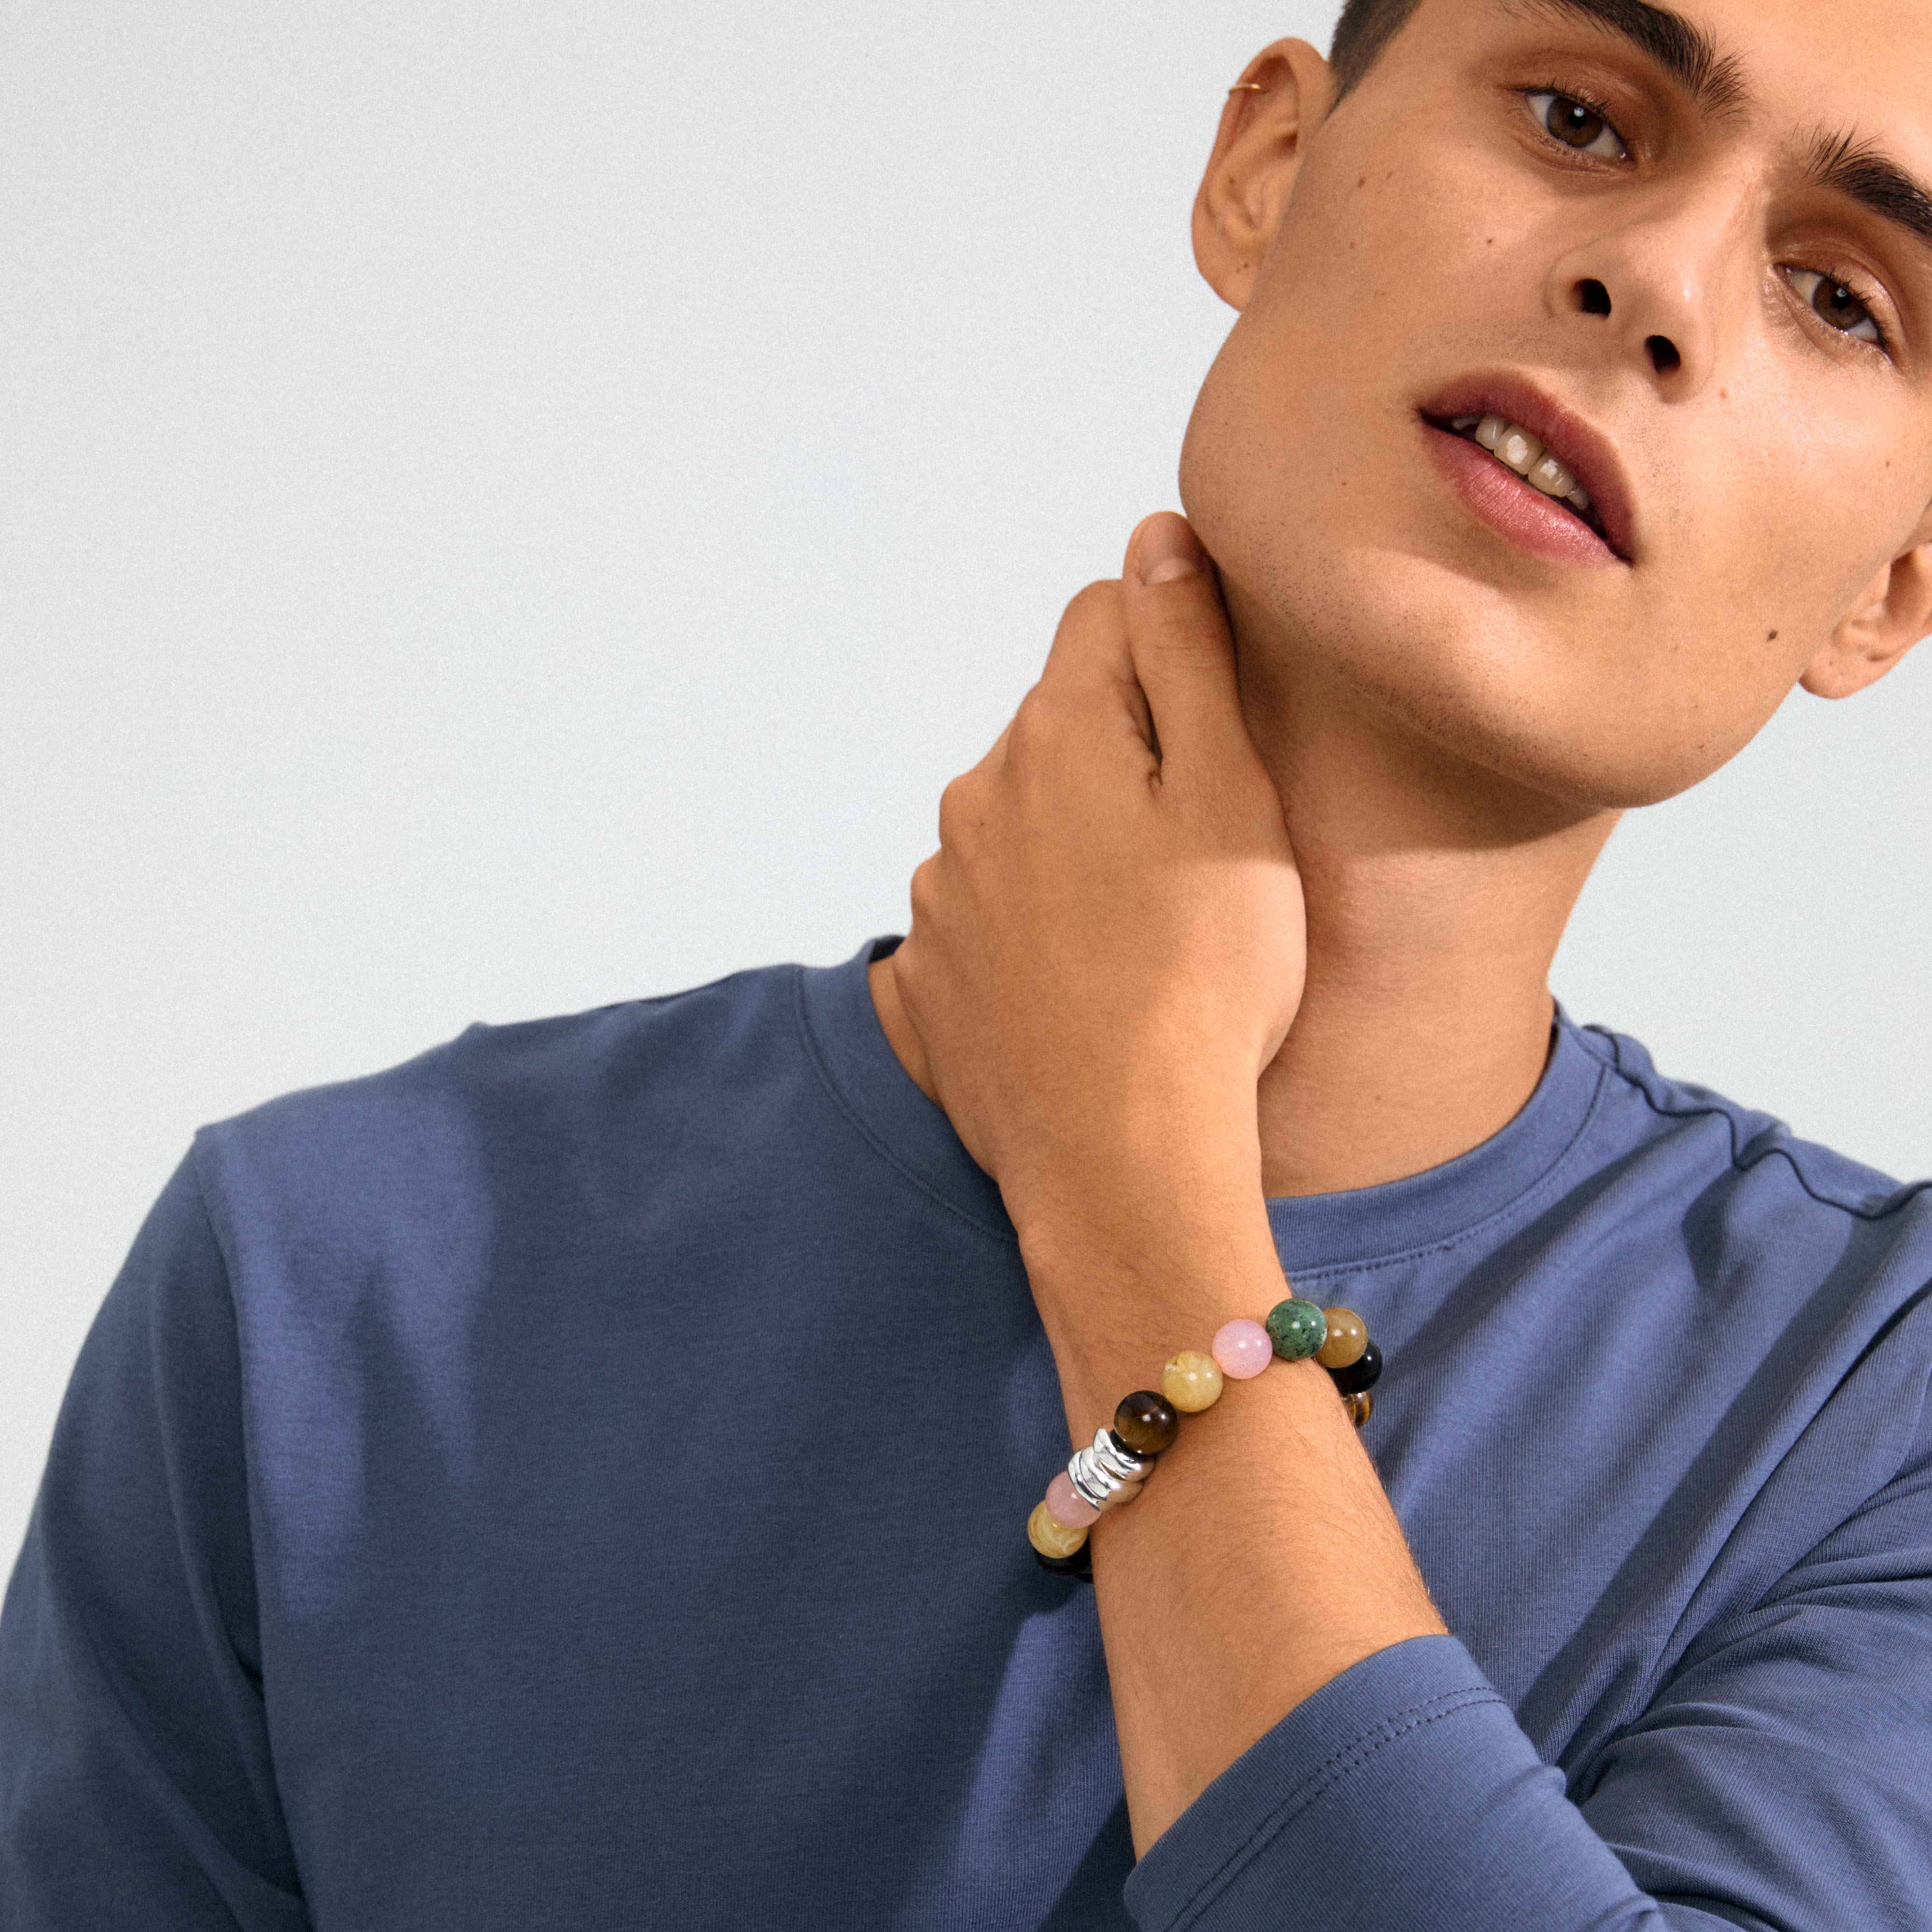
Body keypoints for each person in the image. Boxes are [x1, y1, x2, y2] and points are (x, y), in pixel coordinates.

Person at [6, 0, 1932, 1924]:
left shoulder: (1870, 1420)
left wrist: (1134, 1175)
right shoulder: (327, 1277)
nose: (1660, 280)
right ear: (1268, 167)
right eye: (1577, 120)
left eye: (1846, 300)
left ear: (1889, 592)